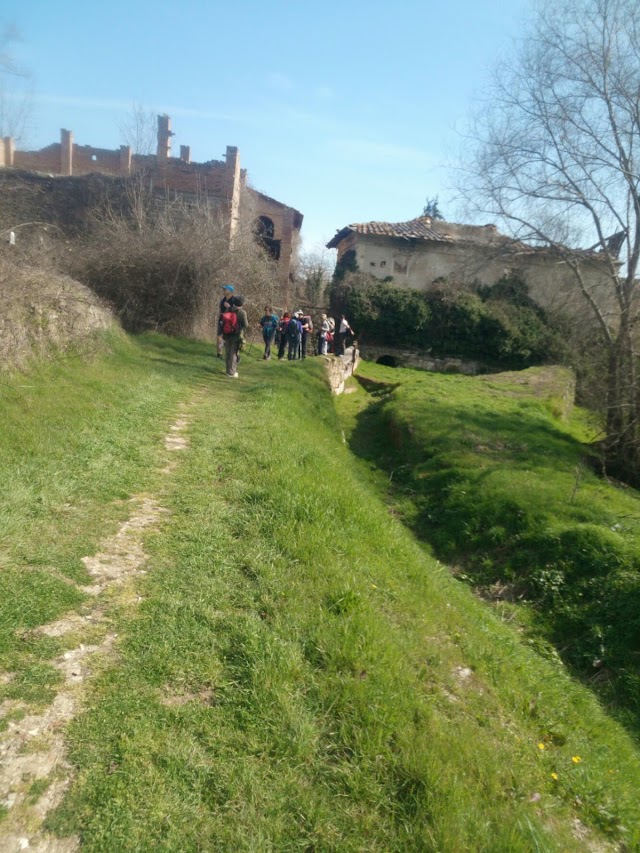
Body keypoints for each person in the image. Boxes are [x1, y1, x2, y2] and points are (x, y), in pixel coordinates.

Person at [221, 295, 248, 377]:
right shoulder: (242, 312)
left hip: (227, 333)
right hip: (237, 335)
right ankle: (231, 372)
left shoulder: (229, 309)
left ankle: (227, 370)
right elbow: (246, 325)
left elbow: (223, 320)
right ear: (242, 304)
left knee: (228, 352)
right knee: (234, 353)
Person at [217, 284, 235, 358]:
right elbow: (220, 308)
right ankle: (219, 353)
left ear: (230, 291)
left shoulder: (234, 300)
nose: (223, 291)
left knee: (229, 337)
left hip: (230, 321)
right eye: (223, 289)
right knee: (219, 335)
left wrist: (229, 307)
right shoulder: (223, 299)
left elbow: (237, 310)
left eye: (225, 289)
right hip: (222, 320)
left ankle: (233, 354)